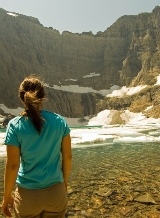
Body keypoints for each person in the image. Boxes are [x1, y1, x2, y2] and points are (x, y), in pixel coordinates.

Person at [1, 76, 72, 218]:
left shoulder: (15, 125)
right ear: (43, 96)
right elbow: (68, 157)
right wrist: (63, 182)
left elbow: (13, 166)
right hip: (56, 194)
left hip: (28, 196)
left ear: (22, 98)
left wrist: (7, 196)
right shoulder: (59, 122)